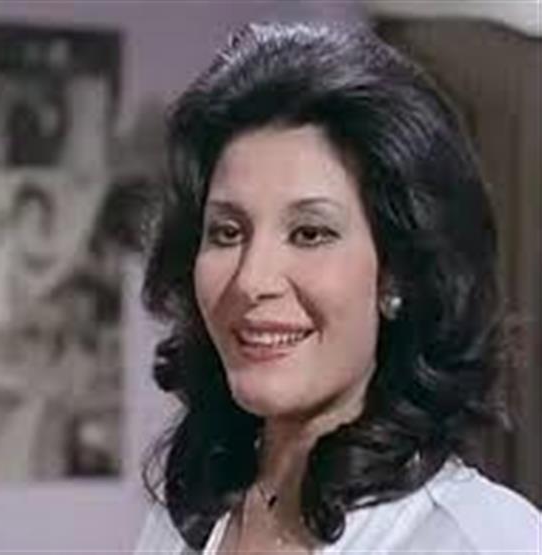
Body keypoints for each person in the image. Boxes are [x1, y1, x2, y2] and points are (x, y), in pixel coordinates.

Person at [135, 22, 540, 554]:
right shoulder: (184, 521)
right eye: (227, 233)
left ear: (398, 271)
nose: (252, 280)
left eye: (309, 234)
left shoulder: (481, 540)